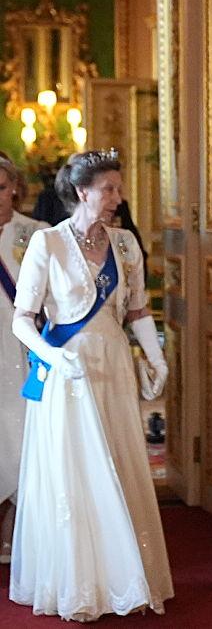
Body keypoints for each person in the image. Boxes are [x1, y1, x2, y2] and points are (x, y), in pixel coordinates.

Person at [8, 149, 173, 620]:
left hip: (113, 367)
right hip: (67, 373)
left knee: (118, 464)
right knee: (77, 471)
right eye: (108, 189)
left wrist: (156, 357)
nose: (118, 197)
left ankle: (124, 580)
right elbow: (23, 320)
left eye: (118, 188)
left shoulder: (124, 243)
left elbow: (137, 311)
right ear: (82, 192)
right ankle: (80, 586)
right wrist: (52, 356)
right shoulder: (48, 243)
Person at [0, 157, 48, 564]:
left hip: (22, 349)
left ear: (15, 187)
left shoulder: (36, 234)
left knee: (21, 433)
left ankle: (15, 529)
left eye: (1, 187)